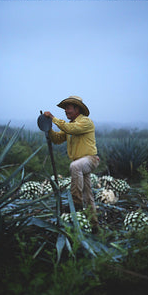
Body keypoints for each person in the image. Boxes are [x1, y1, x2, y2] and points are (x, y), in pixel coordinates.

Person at [44, 96, 100, 230]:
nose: (66, 111)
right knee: (88, 195)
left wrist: (52, 117)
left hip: (90, 159)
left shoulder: (86, 122)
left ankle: (75, 203)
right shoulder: (69, 126)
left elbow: (71, 129)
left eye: (68, 108)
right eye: (65, 109)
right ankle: (95, 226)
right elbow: (57, 139)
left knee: (75, 166)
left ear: (77, 109)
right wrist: (49, 128)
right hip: (80, 164)